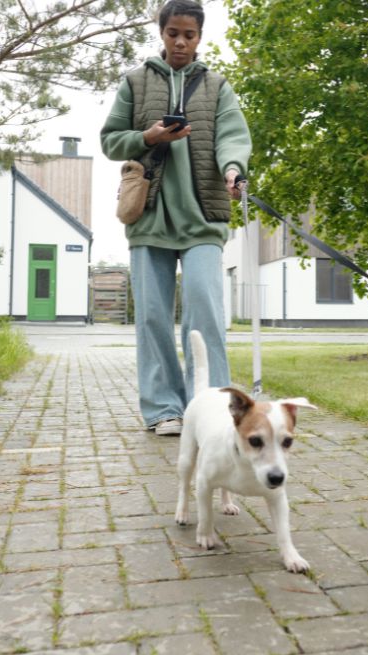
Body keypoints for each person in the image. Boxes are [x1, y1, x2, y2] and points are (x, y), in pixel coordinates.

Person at [100, 0, 251, 436]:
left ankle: (215, 411)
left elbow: (232, 135)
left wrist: (233, 169)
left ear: (200, 37)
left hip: (202, 217)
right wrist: (147, 136)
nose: (181, 41)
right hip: (149, 218)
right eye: (173, 33)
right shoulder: (135, 82)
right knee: (153, 318)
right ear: (162, 34)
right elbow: (111, 141)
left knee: (205, 311)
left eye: (189, 34)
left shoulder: (218, 86)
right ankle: (164, 409)